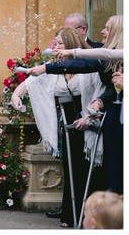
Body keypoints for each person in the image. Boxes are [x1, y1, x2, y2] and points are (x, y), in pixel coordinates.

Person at [12, 27, 101, 227]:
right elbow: (31, 81)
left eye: (60, 43)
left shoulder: (86, 66)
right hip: (67, 124)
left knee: (87, 167)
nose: (56, 47)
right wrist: (16, 95)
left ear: (71, 45)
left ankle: (91, 216)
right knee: (72, 167)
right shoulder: (54, 66)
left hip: (89, 121)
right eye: (55, 43)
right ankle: (71, 214)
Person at [32, 16, 123, 195]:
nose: (102, 32)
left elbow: (103, 56)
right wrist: (101, 101)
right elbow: (89, 63)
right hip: (112, 113)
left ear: (118, 31)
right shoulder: (106, 55)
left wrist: (71, 52)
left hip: (117, 113)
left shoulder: (112, 54)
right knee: (115, 166)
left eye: (107, 28)